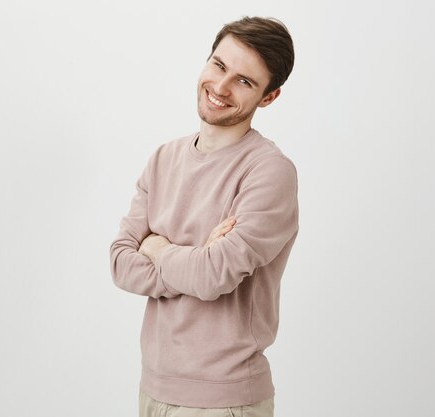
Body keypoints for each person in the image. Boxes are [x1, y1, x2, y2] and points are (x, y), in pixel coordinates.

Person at [110, 16, 298, 417]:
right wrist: (194, 261)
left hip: (224, 401)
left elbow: (213, 276)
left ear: (269, 97)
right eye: (219, 65)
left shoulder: (269, 171)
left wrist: (157, 247)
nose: (221, 87)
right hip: (152, 388)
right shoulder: (163, 159)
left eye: (245, 81)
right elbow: (120, 263)